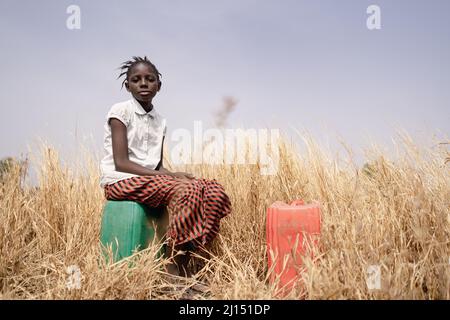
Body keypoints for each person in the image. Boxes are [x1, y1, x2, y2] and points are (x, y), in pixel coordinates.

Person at [100, 56, 231, 278]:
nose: (143, 83)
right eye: (136, 79)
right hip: (120, 180)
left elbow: (156, 164)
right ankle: (172, 268)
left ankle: (185, 258)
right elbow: (121, 162)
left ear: (159, 86)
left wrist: (173, 174)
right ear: (127, 85)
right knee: (185, 190)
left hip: (148, 180)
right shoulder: (120, 111)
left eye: (150, 79)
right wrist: (168, 180)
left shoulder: (160, 121)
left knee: (211, 189)